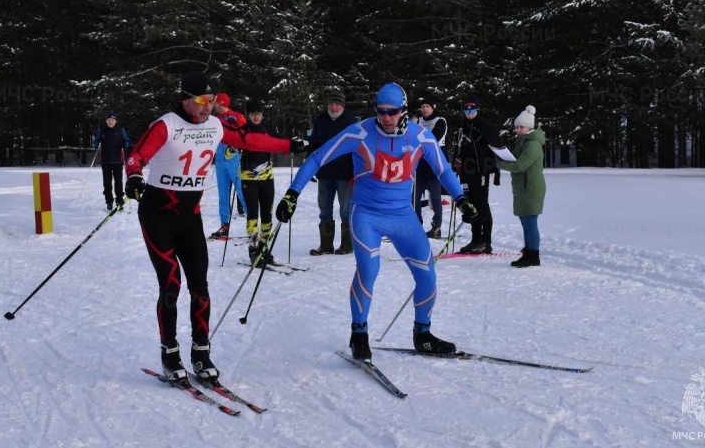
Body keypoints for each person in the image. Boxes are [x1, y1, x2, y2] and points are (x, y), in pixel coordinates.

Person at [124, 71, 307, 382]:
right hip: (157, 214)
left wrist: (290, 144)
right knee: (170, 285)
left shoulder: (215, 126)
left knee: (200, 286)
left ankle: (201, 352)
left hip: (189, 216)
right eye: (201, 101)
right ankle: (169, 352)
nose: (208, 106)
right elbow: (137, 156)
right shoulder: (166, 124)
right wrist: (134, 177)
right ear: (185, 99)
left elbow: (252, 139)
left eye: (211, 100)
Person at [275, 83, 479, 361]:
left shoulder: (421, 136)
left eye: (391, 112)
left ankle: (423, 335)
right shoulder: (361, 132)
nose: (385, 117)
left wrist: (461, 198)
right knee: (369, 270)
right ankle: (359, 333)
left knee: (427, 274)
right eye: (380, 112)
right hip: (367, 214)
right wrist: (292, 194)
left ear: (403, 111)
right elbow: (317, 158)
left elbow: (443, 170)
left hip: (402, 215)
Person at [307, 88, 357, 255]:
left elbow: (358, 148)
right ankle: (326, 245)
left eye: (337, 104)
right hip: (325, 173)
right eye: (331, 103)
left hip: (345, 174)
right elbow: (314, 143)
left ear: (342, 105)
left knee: (345, 209)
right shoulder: (320, 120)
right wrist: (310, 162)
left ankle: (347, 245)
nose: (334, 107)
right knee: (324, 209)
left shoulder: (352, 122)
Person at [495, 106, 546, 268]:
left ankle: (534, 255)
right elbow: (515, 160)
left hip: (530, 188)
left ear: (529, 127)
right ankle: (529, 252)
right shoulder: (523, 141)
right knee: (525, 221)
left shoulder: (532, 145)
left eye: (521, 127)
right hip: (523, 187)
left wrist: (498, 163)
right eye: (516, 127)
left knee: (530, 222)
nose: (517, 130)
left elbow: (519, 166)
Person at [452, 96, 500, 254]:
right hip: (466, 171)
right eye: (466, 110)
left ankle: (486, 242)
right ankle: (475, 239)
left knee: (481, 204)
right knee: (470, 205)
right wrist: (455, 161)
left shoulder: (485, 126)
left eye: (472, 110)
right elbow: (458, 149)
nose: (469, 113)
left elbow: (496, 149)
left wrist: (493, 170)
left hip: (481, 171)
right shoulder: (463, 127)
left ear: (477, 110)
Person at [239, 99, 279, 266]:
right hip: (249, 179)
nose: (256, 117)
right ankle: (253, 249)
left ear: (263, 114)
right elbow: (231, 145)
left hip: (267, 178)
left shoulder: (268, 129)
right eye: (253, 114)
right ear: (248, 115)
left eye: (259, 113)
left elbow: (279, 144)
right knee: (253, 215)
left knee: (267, 215)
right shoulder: (242, 130)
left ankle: (264, 247)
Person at [208, 92, 248, 240]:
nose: (213, 105)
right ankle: (224, 226)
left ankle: (252, 224)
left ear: (222, 103)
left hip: (234, 158)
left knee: (241, 190)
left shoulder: (237, 117)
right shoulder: (213, 120)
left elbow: (246, 136)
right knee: (223, 194)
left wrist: (237, 146)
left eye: (216, 103)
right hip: (220, 161)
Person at [413, 96, 448, 238]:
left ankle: (436, 227)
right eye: (422, 107)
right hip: (420, 166)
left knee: (435, 198)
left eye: (427, 106)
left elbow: (432, 139)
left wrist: (416, 134)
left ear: (433, 108)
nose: (424, 109)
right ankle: (416, 225)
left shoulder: (440, 121)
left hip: (434, 165)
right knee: (414, 198)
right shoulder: (418, 121)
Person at [93, 111, 131, 211]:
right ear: (106, 121)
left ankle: (119, 201)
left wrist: (125, 144)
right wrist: (96, 143)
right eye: (109, 120)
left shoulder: (120, 130)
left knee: (118, 182)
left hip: (118, 160)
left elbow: (127, 140)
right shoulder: (102, 130)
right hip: (105, 160)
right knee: (107, 183)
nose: (110, 122)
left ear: (115, 121)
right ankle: (109, 201)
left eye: (112, 120)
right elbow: (95, 141)